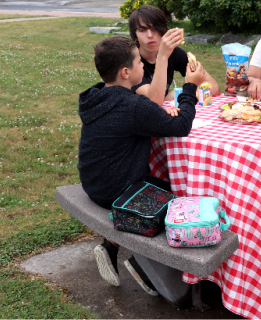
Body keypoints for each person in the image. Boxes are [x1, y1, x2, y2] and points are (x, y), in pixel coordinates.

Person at [77, 35, 207, 294]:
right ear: (126, 72)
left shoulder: (97, 94)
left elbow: (145, 117)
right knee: (184, 198)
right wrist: (190, 87)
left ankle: (113, 248)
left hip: (94, 182)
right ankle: (147, 267)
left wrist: (159, 115)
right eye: (138, 62)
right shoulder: (132, 106)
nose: (142, 67)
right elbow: (182, 126)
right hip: (119, 192)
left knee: (166, 184)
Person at [128, 5, 220, 105]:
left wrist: (181, 95)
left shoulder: (173, 52)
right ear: (135, 36)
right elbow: (153, 101)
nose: (150, 35)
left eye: (154, 28)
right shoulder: (130, 60)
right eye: (142, 30)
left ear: (163, 30)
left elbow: (213, 87)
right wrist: (162, 56)